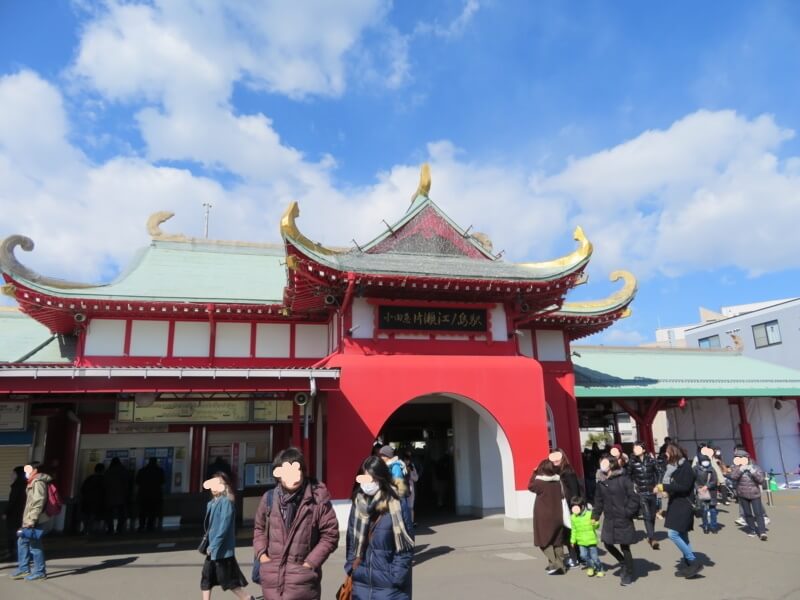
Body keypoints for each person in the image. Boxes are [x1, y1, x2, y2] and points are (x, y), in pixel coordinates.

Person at [253, 447, 339, 600]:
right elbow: (259, 528)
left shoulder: (317, 500)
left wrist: (310, 563)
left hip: (303, 583)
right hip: (272, 582)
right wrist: (262, 555)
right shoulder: (269, 498)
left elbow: (330, 535)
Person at [345, 455, 415, 599]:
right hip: (361, 585)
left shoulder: (396, 503)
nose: (368, 483)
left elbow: (406, 547)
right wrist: (352, 568)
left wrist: (396, 577)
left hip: (389, 589)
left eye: (373, 478)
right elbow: (351, 539)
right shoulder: (358, 504)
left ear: (382, 478)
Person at [655, 444, 704, 579]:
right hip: (676, 503)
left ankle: (693, 561)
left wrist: (663, 486)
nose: (666, 455)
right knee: (683, 535)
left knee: (672, 534)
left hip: (684, 505)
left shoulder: (685, 467)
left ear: (674, 453)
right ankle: (690, 565)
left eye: (667, 452)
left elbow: (684, 486)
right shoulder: (674, 467)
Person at [201, 472, 252, 600]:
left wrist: (213, 546)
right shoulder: (211, 503)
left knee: (228, 580)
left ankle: (246, 598)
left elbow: (223, 527)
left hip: (222, 550)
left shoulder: (226, 503)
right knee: (206, 578)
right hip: (212, 550)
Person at [591, 455, 640, 586]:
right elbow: (598, 501)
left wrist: (627, 512)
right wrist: (594, 516)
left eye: (605, 462)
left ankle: (629, 573)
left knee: (625, 545)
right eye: (601, 462)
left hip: (623, 517)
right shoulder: (601, 482)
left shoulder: (623, 479)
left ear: (612, 464)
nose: (603, 464)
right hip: (609, 518)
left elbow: (634, 498)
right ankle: (623, 562)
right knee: (607, 543)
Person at [10, 462, 52, 581]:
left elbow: (38, 502)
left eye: (27, 470)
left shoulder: (38, 482)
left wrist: (31, 520)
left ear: (34, 470)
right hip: (30, 518)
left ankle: (40, 572)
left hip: (35, 519)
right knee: (22, 542)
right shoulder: (33, 481)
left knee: (35, 545)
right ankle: (24, 569)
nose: (25, 473)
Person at [528, 459, 567, 575]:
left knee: (543, 541)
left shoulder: (540, 482)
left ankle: (556, 564)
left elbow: (530, 486)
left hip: (544, 515)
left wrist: (534, 473)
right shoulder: (558, 481)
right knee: (557, 541)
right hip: (558, 513)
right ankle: (556, 565)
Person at [549, 448, 580, 568]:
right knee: (567, 533)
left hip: (569, 507)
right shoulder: (556, 471)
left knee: (570, 533)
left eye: (557, 456)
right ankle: (575, 556)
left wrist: (575, 507)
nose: (555, 459)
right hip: (562, 506)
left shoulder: (567, 471)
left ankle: (575, 558)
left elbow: (575, 491)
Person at [626, 441, 660, 549]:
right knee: (647, 516)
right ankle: (652, 538)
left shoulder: (651, 460)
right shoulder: (632, 462)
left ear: (644, 450)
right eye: (634, 448)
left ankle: (651, 534)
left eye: (638, 448)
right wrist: (633, 486)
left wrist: (658, 485)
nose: (635, 449)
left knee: (653, 515)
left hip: (652, 491)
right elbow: (628, 476)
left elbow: (659, 472)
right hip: (641, 493)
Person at [728, 449, 767, 541]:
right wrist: (740, 470)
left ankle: (762, 532)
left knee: (758, 513)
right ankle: (752, 529)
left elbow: (761, 480)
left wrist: (753, 472)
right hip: (742, 493)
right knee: (748, 513)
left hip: (755, 493)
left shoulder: (755, 466)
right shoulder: (735, 467)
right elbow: (733, 477)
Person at [569, 496, 603, 578]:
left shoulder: (590, 514)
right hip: (581, 542)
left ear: (583, 506)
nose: (575, 509)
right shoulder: (573, 517)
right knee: (583, 556)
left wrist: (595, 523)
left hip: (591, 541)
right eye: (573, 507)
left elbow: (597, 526)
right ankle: (591, 567)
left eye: (576, 507)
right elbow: (573, 530)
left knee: (595, 558)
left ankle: (599, 569)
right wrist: (572, 540)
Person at [693, 446, 719, 534]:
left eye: (707, 461)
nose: (706, 462)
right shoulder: (695, 469)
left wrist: (707, 486)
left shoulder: (712, 469)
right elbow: (693, 480)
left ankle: (713, 526)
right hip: (701, 493)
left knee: (713, 510)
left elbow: (715, 480)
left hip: (712, 492)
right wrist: (698, 488)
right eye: (704, 460)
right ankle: (705, 526)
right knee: (704, 510)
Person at [3, 466, 26, 561]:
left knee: (13, 535)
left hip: (14, 515)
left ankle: (13, 553)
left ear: (18, 475)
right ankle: (15, 552)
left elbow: (12, 502)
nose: (11, 475)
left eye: (13, 473)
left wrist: (5, 512)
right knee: (17, 535)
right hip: (20, 515)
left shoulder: (17, 486)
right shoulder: (24, 485)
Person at [136, 457, 166, 532]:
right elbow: (162, 481)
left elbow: (137, 481)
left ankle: (141, 525)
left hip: (143, 494)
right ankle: (150, 526)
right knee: (152, 511)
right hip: (155, 494)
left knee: (142, 511)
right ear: (155, 462)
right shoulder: (159, 471)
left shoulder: (142, 471)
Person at [104, 457, 131, 534]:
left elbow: (104, 484)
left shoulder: (108, 471)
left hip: (109, 496)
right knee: (122, 514)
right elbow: (127, 484)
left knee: (109, 514)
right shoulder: (123, 471)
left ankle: (110, 528)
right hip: (121, 496)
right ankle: (119, 528)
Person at [80, 463, 106, 535]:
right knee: (93, 516)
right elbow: (105, 491)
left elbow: (82, 489)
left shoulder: (89, 478)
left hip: (87, 501)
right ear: (103, 470)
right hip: (97, 501)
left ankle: (85, 529)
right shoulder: (103, 479)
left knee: (86, 515)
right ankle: (89, 530)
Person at [402, 450, 420, 524]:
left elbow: (416, 478)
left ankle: (412, 522)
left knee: (411, 507)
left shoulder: (412, 467)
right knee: (404, 506)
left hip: (410, 489)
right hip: (403, 488)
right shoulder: (400, 467)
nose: (407, 461)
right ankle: (405, 522)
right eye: (405, 460)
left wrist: (410, 475)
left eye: (408, 460)